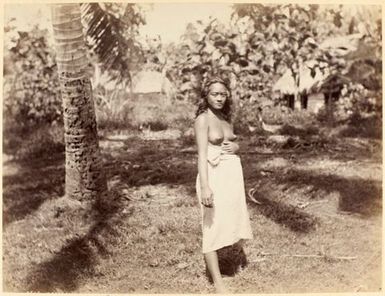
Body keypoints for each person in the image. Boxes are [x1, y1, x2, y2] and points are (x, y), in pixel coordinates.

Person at [194, 76, 253, 293]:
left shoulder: (226, 117)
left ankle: (231, 262)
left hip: (231, 176)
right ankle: (218, 283)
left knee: (229, 220)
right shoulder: (202, 119)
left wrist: (237, 146)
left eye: (223, 94)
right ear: (206, 96)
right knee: (211, 226)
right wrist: (206, 187)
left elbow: (234, 140)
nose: (219, 98)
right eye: (214, 94)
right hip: (213, 175)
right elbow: (201, 156)